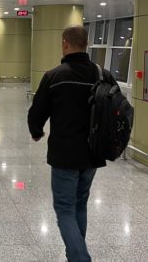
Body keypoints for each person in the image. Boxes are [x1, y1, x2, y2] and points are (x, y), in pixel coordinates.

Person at [27, 25, 117, 262]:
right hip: (93, 154)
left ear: (65, 43)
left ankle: (79, 258)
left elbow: (37, 111)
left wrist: (36, 131)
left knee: (65, 209)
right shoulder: (103, 75)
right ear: (86, 43)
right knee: (80, 205)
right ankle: (74, 255)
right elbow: (118, 109)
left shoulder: (55, 76)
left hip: (65, 155)